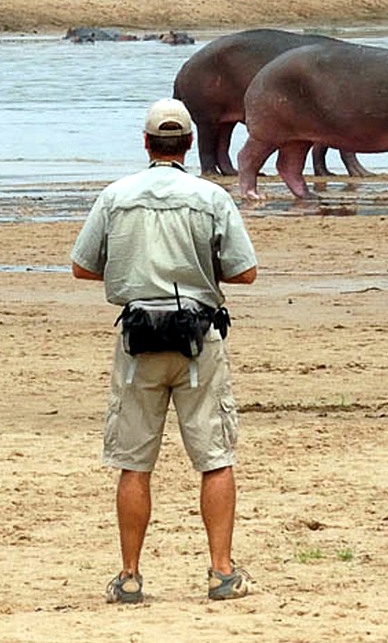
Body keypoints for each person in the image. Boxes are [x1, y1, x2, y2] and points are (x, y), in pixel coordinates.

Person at [71, 99, 258, 604]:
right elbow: (245, 271)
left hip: (139, 340)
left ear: (147, 143)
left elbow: (82, 266)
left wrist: (130, 269)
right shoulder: (211, 198)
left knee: (135, 461)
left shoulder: (116, 196)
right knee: (215, 457)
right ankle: (221, 571)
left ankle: (130, 575)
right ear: (190, 145)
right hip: (199, 339)